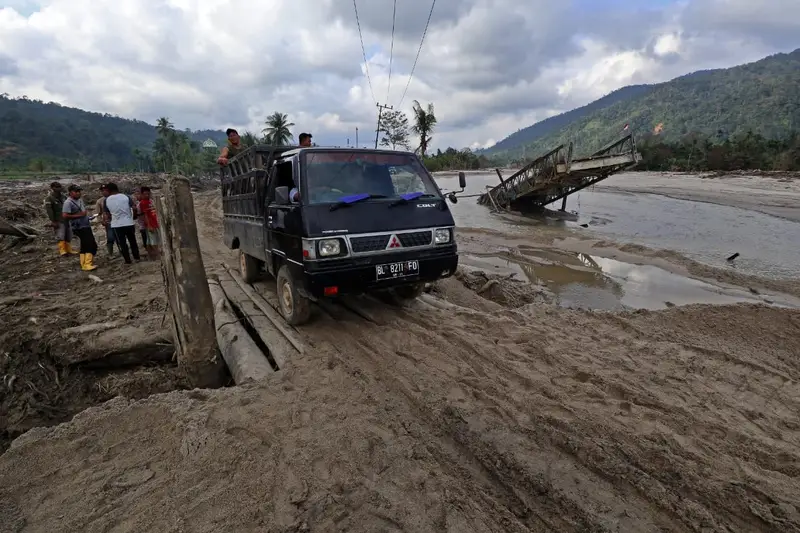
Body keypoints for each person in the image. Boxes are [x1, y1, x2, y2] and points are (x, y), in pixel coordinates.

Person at [61, 184, 97, 271]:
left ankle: (84, 263)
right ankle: (87, 264)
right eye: (76, 191)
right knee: (89, 244)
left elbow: (83, 213)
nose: (78, 193)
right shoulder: (68, 202)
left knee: (87, 244)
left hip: (85, 224)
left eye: (79, 191)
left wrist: (88, 217)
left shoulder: (80, 200)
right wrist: (80, 215)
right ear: (70, 192)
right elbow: (65, 215)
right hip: (79, 227)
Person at [103, 183, 140, 264]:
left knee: (122, 243)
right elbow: (134, 207)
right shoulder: (126, 196)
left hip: (116, 225)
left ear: (109, 190)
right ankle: (137, 257)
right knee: (132, 241)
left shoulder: (106, 200)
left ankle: (127, 260)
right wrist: (134, 216)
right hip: (129, 223)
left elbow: (107, 214)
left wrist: (110, 218)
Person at [44, 182, 77, 256]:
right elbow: (49, 211)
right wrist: (53, 221)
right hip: (58, 219)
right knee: (60, 235)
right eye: (57, 187)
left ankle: (69, 249)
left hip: (67, 218)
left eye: (59, 186)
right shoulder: (49, 198)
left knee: (69, 234)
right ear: (52, 188)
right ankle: (62, 250)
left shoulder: (64, 197)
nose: (59, 188)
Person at [138, 186, 161, 259]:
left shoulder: (151, 201)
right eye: (145, 194)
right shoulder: (142, 203)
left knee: (149, 240)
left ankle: (150, 255)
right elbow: (145, 215)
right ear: (141, 194)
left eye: (148, 194)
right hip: (150, 223)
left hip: (154, 221)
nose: (147, 195)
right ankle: (157, 254)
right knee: (154, 240)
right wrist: (149, 225)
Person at [95, 184, 117, 256]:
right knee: (110, 238)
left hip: (117, 220)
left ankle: (123, 251)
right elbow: (98, 213)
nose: (104, 192)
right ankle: (110, 253)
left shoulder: (115, 198)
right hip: (108, 222)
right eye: (102, 191)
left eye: (105, 190)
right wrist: (101, 221)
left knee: (119, 237)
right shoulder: (99, 201)